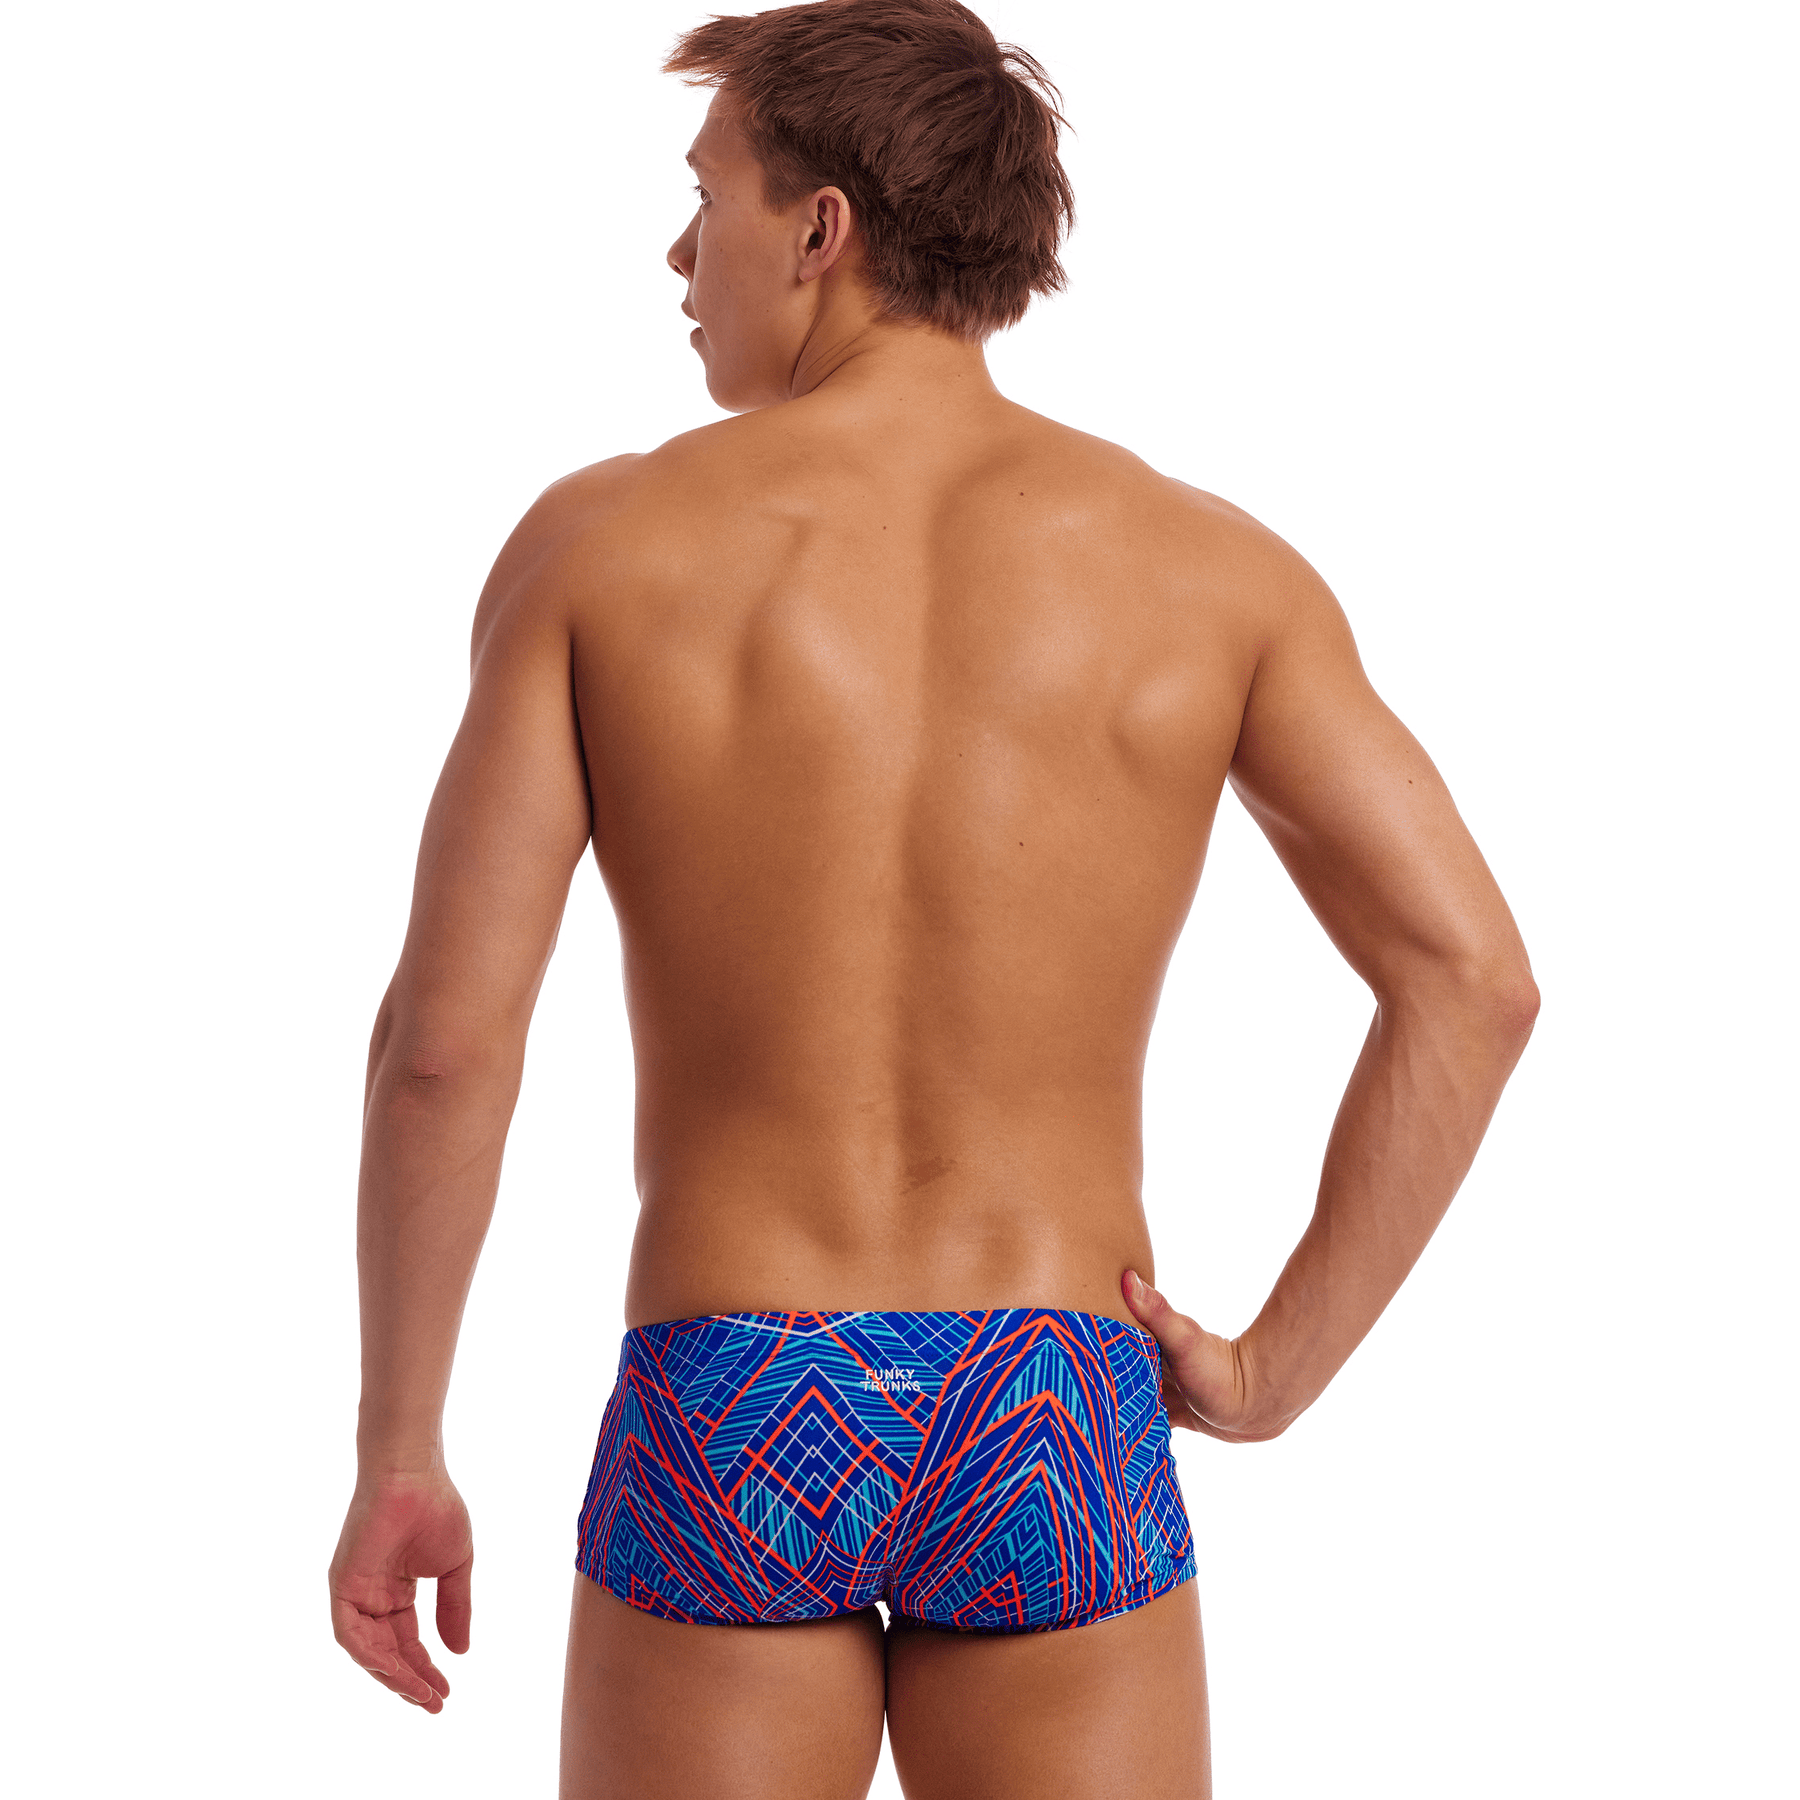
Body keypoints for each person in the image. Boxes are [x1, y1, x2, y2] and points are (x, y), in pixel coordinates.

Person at [327, 2, 1539, 1793]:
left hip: (736, 1393)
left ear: (823, 229)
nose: (680, 255)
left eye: (709, 198)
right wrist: (1274, 1368)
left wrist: (399, 1447)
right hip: (1054, 1397)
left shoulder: (605, 548)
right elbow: (1473, 979)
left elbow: (444, 1048)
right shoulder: (1212, 573)